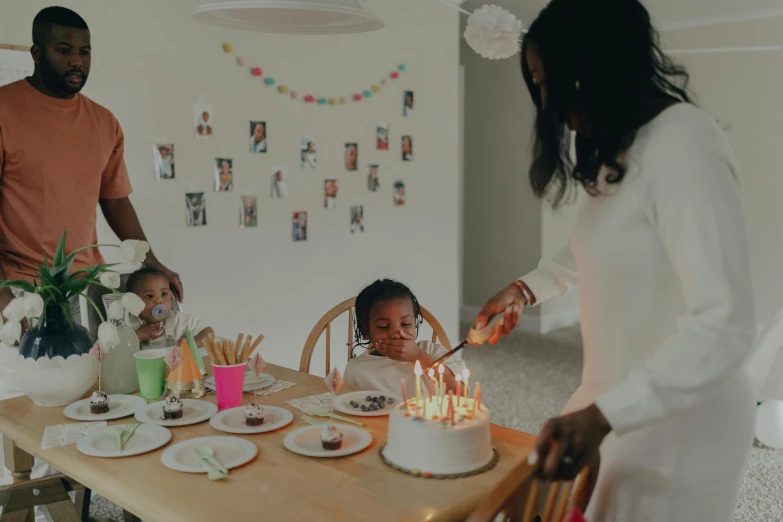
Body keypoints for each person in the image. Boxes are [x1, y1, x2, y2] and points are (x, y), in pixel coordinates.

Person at [473, 1, 756, 520]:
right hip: (609, 397)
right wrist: (526, 288)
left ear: (592, 64)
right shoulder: (619, 148)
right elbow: (602, 246)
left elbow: (727, 320)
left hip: (680, 420)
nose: (545, 101)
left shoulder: (684, 144)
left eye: (545, 80)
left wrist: (605, 416)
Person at [0, 6, 183, 337]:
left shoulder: (104, 122)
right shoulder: (4, 110)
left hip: (87, 286)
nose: (77, 62)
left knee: (94, 385)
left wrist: (151, 262)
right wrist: (2, 296)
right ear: (37, 54)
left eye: (84, 52)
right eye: (64, 50)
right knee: (23, 388)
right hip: (21, 289)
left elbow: (115, 200)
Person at [344, 279, 464, 397]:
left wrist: (418, 356)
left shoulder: (432, 352)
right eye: (383, 327)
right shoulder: (357, 369)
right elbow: (348, 406)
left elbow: (460, 393)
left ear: (415, 323)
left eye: (406, 324)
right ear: (365, 332)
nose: (396, 334)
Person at [127, 266, 212, 350]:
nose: (159, 300)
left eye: (164, 294)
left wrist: (191, 343)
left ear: (171, 296)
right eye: (149, 296)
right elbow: (118, 353)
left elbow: (208, 332)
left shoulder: (179, 320)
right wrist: (138, 336)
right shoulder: (128, 324)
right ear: (133, 303)